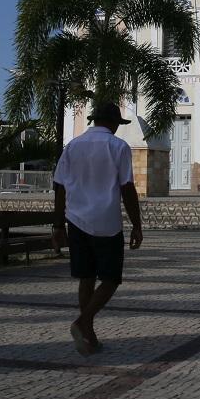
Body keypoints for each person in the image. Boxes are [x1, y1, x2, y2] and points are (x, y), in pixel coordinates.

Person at [52, 102, 144, 355]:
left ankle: (88, 331)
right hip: (107, 223)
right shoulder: (118, 147)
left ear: (94, 120)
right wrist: (137, 224)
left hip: (77, 220)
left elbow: (59, 187)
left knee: (86, 277)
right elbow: (127, 187)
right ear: (114, 123)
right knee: (111, 278)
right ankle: (82, 323)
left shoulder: (72, 146)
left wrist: (58, 224)